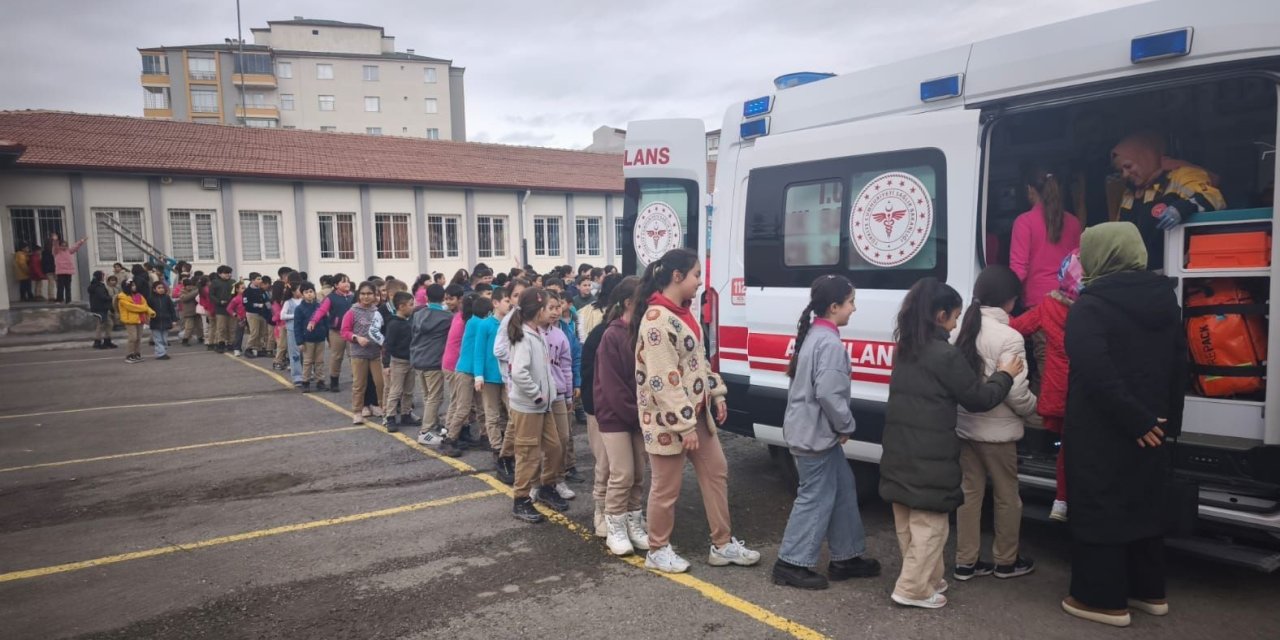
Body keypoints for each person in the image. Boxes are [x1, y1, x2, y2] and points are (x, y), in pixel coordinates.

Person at [1060, 222, 1187, 628]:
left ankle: (1102, 601)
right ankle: (1149, 592)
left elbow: (1095, 371)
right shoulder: (1165, 301)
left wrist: (1134, 419)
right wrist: (1163, 424)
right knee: (1143, 504)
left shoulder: (1090, 306)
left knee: (1100, 505)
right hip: (1153, 425)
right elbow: (1179, 365)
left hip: (1102, 427)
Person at [879, 277, 1022, 609]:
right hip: (930, 454)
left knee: (908, 521)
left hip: (899, 448)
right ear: (940, 315)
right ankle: (912, 588)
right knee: (932, 525)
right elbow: (978, 398)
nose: (957, 324)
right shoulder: (944, 354)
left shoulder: (906, 347)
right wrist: (1005, 374)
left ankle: (928, 578)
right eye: (955, 317)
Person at [634, 248, 759, 574]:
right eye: (696, 275)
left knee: (716, 472)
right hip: (668, 422)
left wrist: (716, 393)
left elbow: (698, 361)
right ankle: (657, 549)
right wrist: (685, 426)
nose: (700, 282)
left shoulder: (682, 312)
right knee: (666, 488)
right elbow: (663, 380)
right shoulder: (657, 320)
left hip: (695, 415)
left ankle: (722, 544)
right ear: (677, 276)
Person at [772, 275, 881, 590]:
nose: (854, 308)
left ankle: (846, 557)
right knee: (815, 497)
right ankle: (790, 563)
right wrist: (845, 426)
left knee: (844, 489)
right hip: (816, 435)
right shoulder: (830, 343)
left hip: (811, 432)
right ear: (834, 307)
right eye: (850, 302)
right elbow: (829, 394)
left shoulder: (815, 335)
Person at [952, 266, 1039, 582]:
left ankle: (966, 562)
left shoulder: (961, 328)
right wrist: (1034, 409)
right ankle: (1005, 561)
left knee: (969, 494)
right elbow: (1015, 391)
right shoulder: (1010, 336)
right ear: (1011, 300)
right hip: (998, 433)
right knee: (1006, 496)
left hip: (966, 427)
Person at [1011, 250, 1082, 522]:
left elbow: (1018, 327)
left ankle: (1061, 502)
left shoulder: (1048, 306)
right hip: (1085, 391)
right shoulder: (1097, 310)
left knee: (1065, 447)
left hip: (1057, 392)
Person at [588, 276, 652, 552]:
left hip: (638, 416)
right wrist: (636, 413)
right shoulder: (611, 335)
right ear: (629, 303)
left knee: (638, 473)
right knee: (622, 473)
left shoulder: (641, 332)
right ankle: (614, 526)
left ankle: (633, 523)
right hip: (616, 417)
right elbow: (612, 386)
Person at [1110, 131, 1226, 270]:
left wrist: (1181, 208)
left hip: (1178, 270)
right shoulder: (1129, 193)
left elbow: (1213, 198)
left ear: (1145, 158)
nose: (1125, 175)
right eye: (1120, 171)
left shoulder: (1180, 175)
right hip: (1139, 272)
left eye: (1128, 166)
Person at [507, 288, 568, 523]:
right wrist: (537, 394)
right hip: (529, 406)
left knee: (554, 447)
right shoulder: (524, 337)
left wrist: (547, 393)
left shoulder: (537, 333)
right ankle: (521, 499)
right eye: (546, 308)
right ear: (538, 310)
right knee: (528, 454)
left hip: (543, 405)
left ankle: (547, 486)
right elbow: (519, 373)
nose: (551, 311)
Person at [1010, 165, 1081, 308]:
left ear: (1030, 190)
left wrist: (1007, 298)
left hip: (1037, 302)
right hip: (1069, 300)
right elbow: (1078, 264)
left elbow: (1019, 270)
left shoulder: (1024, 222)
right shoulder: (1074, 222)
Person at [469, 287, 511, 478]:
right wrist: (478, 375)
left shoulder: (513, 323)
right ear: (495, 303)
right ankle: (497, 448)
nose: (509, 304)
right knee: (491, 414)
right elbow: (478, 351)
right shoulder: (485, 325)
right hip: (490, 377)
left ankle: (509, 447)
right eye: (506, 301)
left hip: (508, 376)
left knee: (512, 414)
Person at [410, 283, 454, 444]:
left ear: (426, 297)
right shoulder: (447, 317)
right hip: (434, 360)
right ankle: (425, 431)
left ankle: (433, 423)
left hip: (418, 359)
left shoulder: (417, 314)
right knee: (435, 397)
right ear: (443, 298)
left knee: (427, 395)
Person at [341, 281, 386, 425]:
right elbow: (344, 331)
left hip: (376, 354)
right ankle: (357, 412)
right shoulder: (352, 312)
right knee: (359, 384)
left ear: (375, 295)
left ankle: (383, 408)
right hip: (358, 354)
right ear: (358, 295)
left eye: (369, 294)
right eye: (363, 294)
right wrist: (356, 338)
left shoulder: (378, 312)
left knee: (381, 383)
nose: (366, 297)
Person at [310, 274, 354, 393]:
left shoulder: (353, 297)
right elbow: (321, 310)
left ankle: (358, 379)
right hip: (336, 332)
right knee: (336, 357)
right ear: (336, 285)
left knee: (354, 356)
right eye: (343, 282)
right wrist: (313, 321)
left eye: (348, 281)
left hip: (352, 332)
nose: (347, 284)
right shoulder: (331, 298)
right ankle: (334, 381)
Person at [382, 291, 417, 432]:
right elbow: (388, 345)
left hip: (410, 361)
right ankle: (390, 417)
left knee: (408, 390)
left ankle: (405, 413)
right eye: (411, 305)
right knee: (395, 391)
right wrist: (386, 364)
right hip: (398, 362)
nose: (413, 307)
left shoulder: (409, 322)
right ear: (401, 306)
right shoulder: (394, 324)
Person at [293, 283, 330, 393]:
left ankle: (320, 381)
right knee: (307, 362)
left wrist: (327, 336)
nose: (309, 294)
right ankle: (305, 382)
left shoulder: (320, 307)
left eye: (311, 291)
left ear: (314, 293)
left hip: (320, 338)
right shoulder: (299, 309)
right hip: (307, 340)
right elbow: (297, 327)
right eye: (306, 292)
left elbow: (326, 323)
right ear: (302, 294)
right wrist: (299, 342)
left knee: (320, 361)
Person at [116, 280, 154, 364]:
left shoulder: (139, 295)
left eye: (134, 285)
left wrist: (149, 312)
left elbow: (145, 304)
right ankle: (129, 355)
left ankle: (137, 353)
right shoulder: (122, 297)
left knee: (138, 338)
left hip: (140, 319)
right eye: (132, 285)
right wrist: (143, 308)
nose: (134, 287)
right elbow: (131, 307)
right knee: (133, 338)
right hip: (129, 320)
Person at [50, 235, 87, 303]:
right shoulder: (57, 252)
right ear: (60, 246)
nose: (64, 247)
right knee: (60, 287)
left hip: (68, 272)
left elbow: (75, 247)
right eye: (62, 246)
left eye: (65, 246)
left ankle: (68, 300)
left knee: (68, 287)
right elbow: (55, 246)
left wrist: (81, 241)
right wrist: (55, 240)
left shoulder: (69, 251)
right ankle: (59, 299)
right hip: (61, 272)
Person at [209, 266, 236, 353]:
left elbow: (236, 294)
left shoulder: (233, 282)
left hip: (232, 308)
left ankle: (231, 343)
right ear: (219, 274)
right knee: (221, 327)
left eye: (229, 273)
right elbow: (211, 295)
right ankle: (221, 343)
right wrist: (219, 302)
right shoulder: (215, 282)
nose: (228, 274)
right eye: (225, 273)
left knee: (232, 327)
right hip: (220, 309)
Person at [87, 270, 116, 349]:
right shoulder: (97, 286)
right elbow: (102, 296)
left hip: (103, 308)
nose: (103, 277)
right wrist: (112, 298)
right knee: (101, 325)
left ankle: (107, 340)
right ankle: (97, 342)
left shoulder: (99, 285)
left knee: (109, 323)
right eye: (102, 276)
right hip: (99, 308)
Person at [149, 281, 177, 361]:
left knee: (164, 339)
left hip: (166, 321)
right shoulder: (151, 299)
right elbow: (147, 310)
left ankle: (163, 352)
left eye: (162, 288)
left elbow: (172, 309)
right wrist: (147, 318)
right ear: (154, 289)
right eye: (159, 288)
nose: (161, 289)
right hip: (155, 322)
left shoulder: (167, 298)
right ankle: (160, 354)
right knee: (158, 339)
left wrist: (174, 320)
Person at [179, 278, 203, 346]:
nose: (190, 287)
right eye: (188, 286)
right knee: (189, 327)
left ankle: (200, 338)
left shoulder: (194, 290)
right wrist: (196, 292)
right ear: (185, 286)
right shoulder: (182, 292)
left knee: (199, 326)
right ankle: (185, 340)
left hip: (197, 311)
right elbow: (185, 298)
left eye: (191, 285)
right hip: (188, 313)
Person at [226, 280, 248, 357]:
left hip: (250, 317)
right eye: (242, 288)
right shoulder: (236, 299)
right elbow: (229, 309)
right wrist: (235, 315)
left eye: (245, 288)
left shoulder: (248, 296)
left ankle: (251, 348)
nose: (244, 289)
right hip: (241, 318)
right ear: (237, 289)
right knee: (239, 334)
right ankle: (237, 349)